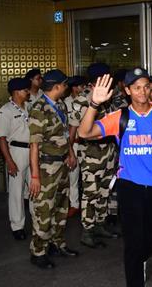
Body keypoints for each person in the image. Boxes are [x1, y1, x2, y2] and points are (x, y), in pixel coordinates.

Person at [78, 68, 152, 287]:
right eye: (137, 87)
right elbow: (84, 133)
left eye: (146, 86)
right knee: (132, 242)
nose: (143, 91)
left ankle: (141, 258)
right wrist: (94, 104)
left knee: (149, 240)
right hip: (130, 186)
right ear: (127, 90)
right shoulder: (120, 117)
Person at [28, 69, 79, 269]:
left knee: (60, 207)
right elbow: (34, 145)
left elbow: (65, 134)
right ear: (56, 86)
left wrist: (71, 154)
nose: (66, 88)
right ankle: (38, 251)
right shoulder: (39, 109)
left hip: (62, 165)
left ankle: (57, 243)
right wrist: (34, 176)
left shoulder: (60, 106)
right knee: (44, 210)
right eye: (65, 85)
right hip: (45, 168)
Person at [68, 63, 119, 249]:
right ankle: (87, 230)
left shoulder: (108, 98)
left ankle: (100, 223)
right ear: (98, 79)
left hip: (108, 151)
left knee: (105, 190)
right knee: (90, 192)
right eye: (107, 77)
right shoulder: (82, 100)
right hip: (90, 154)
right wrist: (70, 152)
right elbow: (72, 129)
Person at [0, 77, 31, 240]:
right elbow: (1, 139)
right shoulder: (5, 112)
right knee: (16, 191)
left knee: (35, 187)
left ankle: (38, 219)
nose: (28, 92)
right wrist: (9, 161)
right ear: (17, 92)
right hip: (16, 151)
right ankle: (17, 226)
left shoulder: (30, 107)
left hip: (33, 150)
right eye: (25, 90)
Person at [64, 75, 86, 218]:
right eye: (80, 86)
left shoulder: (86, 101)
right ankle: (74, 205)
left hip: (85, 144)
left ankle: (85, 206)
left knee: (86, 177)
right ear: (74, 88)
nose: (83, 88)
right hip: (73, 144)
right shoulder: (66, 103)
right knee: (72, 177)